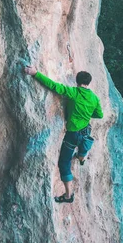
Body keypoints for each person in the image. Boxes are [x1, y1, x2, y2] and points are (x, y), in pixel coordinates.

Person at [24, 66, 103, 203]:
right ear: (88, 83)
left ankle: (68, 196)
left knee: (64, 163)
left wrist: (35, 73)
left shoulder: (73, 92)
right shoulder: (94, 98)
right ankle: (81, 157)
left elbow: (54, 86)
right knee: (83, 146)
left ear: (77, 81)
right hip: (86, 131)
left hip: (73, 135)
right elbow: (99, 114)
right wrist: (87, 113)